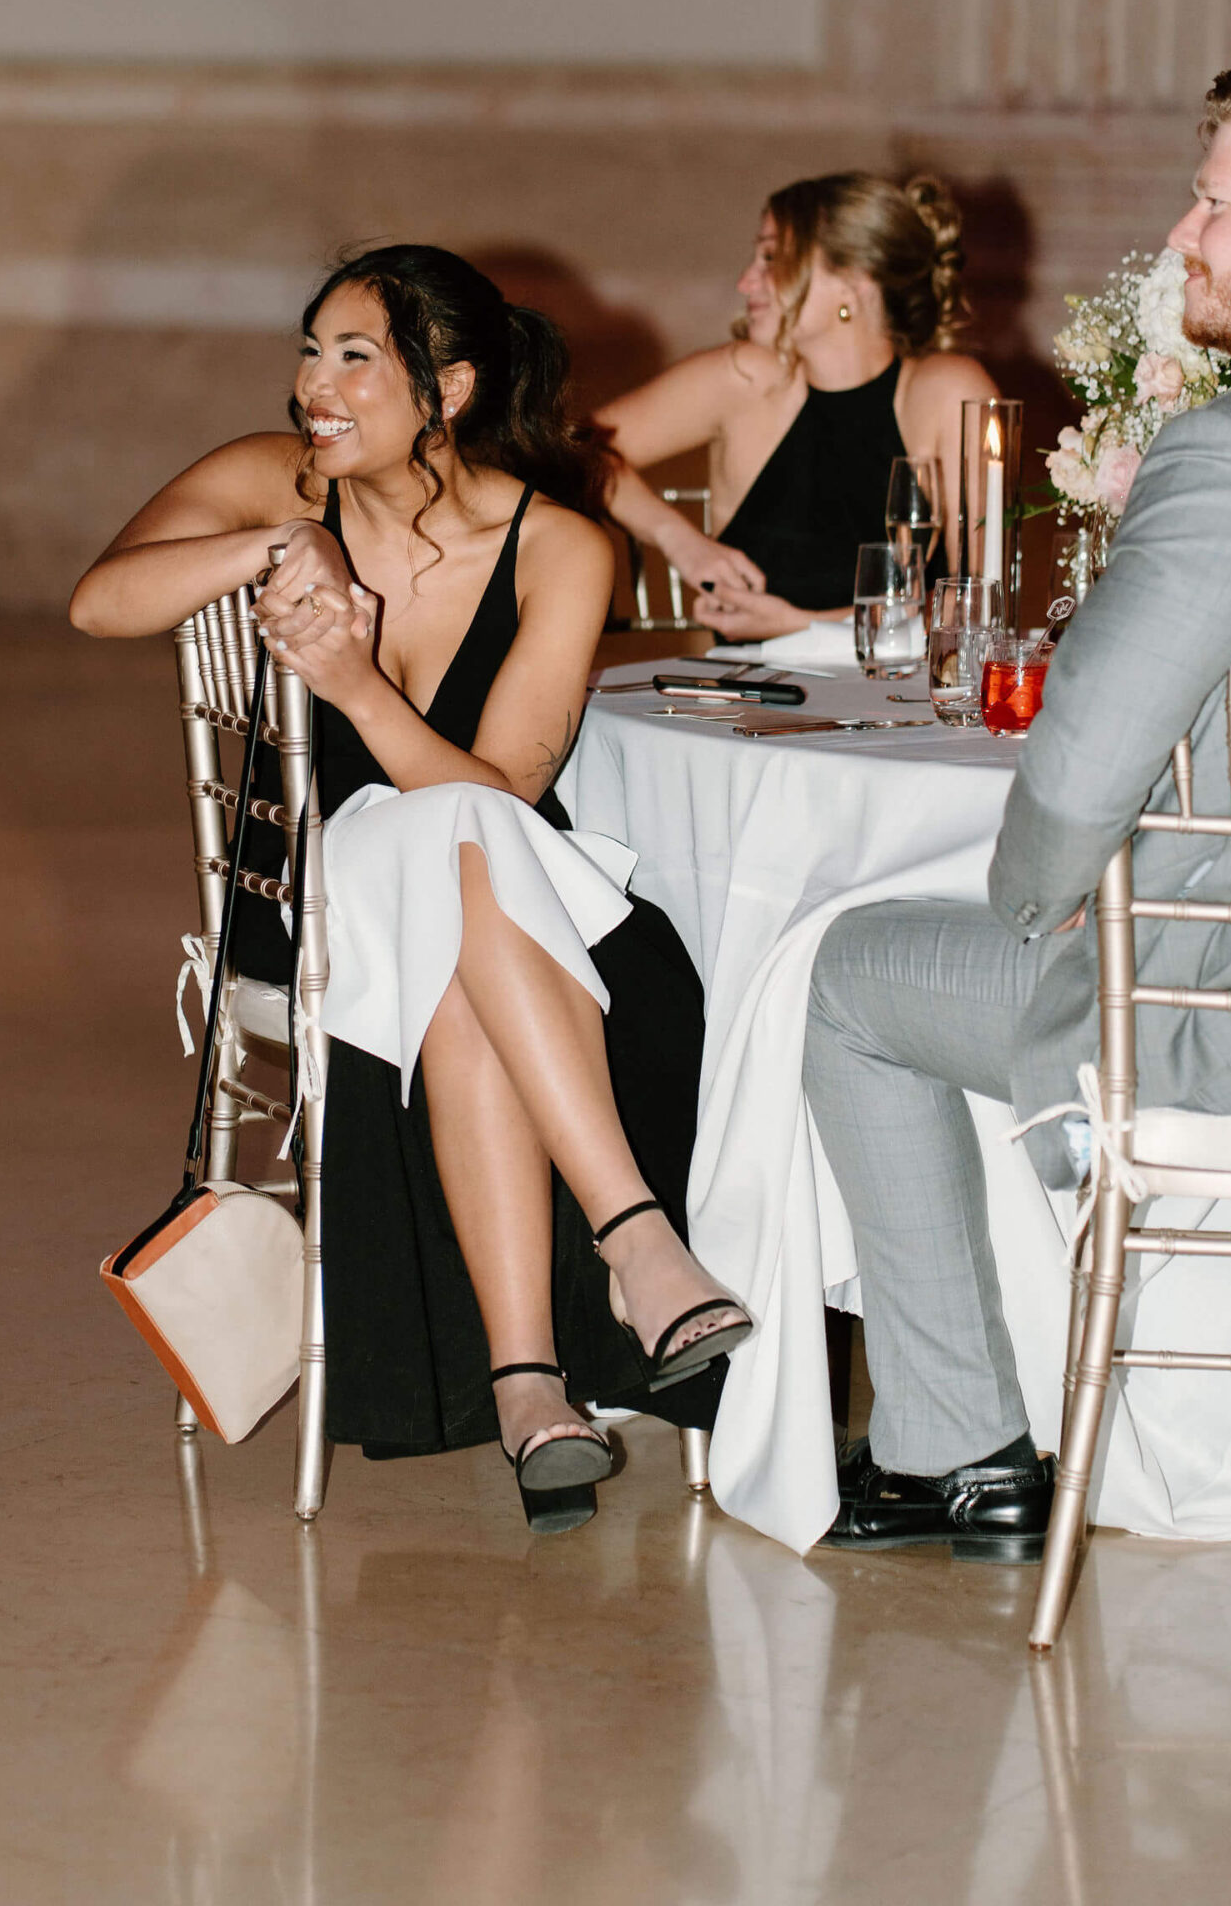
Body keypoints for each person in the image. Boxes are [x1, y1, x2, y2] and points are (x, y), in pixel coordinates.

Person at [71, 244, 751, 1533]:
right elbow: (101, 601)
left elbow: (498, 786)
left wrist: (356, 686)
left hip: (495, 910)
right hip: (317, 900)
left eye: (352, 357)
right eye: (310, 348)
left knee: (456, 856)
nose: (309, 384)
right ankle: (634, 1241)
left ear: (447, 390)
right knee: (444, 858)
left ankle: (526, 1383)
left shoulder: (560, 546)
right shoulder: (272, 482)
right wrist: (274, 542)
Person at [802, 72, 1231, 1558]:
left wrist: (1027, 905)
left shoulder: (1227, 455)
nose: (1182, 232)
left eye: (1215, 206)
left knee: (851, 971)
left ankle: (955, 1449)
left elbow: (1069, 773)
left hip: (1211, 1024)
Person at [595, 172, 999, 642]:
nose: (746, 281)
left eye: (771, 257)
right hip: (747, 705)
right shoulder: (742, 378)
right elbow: (567, 449)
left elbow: (977, 608)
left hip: (907, 707)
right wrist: (678, 540)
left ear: (852, 281)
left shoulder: (947, 391)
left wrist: (801, 628)